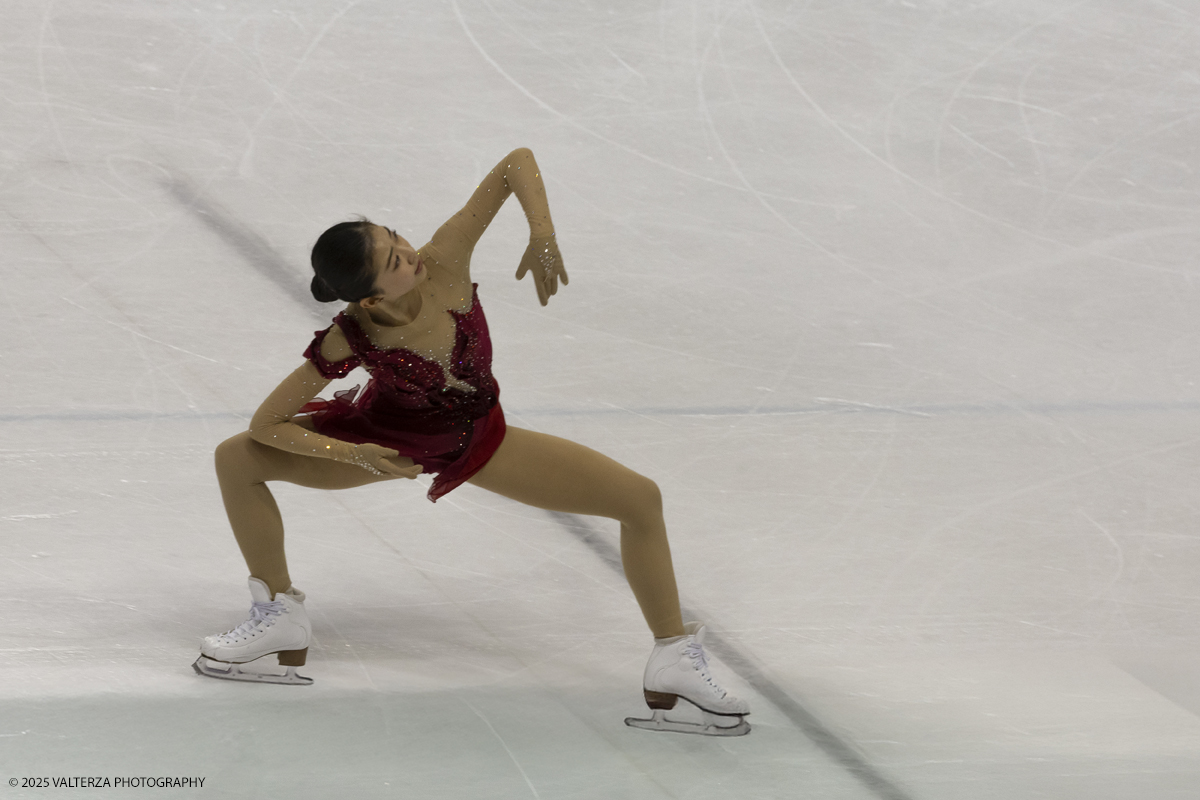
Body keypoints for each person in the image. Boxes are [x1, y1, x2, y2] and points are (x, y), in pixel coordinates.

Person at [194, 148, 749, 736]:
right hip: (387, 443)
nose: (411, 254)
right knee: (235, 459)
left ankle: (672, 657)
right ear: (372, 298)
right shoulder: (347, 337)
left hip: (479, 440)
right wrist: (354, 453)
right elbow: (266, 424)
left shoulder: (447, 262)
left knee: (640, 499)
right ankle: (279, 611)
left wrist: (541, 232)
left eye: (397, 237)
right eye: (395, 260)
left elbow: (516, 163)